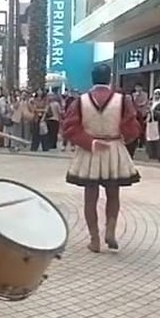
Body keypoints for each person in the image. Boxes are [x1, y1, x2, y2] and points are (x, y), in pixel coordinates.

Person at [61, 64, 141, 253]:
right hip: (114, 148)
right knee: (113, 194)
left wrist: (90, 142)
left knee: (90, 197)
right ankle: (111, 230)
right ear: (109, 78)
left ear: (92, 78)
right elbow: (133, 127)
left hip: (90, 150)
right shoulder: (123, 100)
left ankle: (94, 239)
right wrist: (124, 138)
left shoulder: (80, 101)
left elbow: (69, 128)